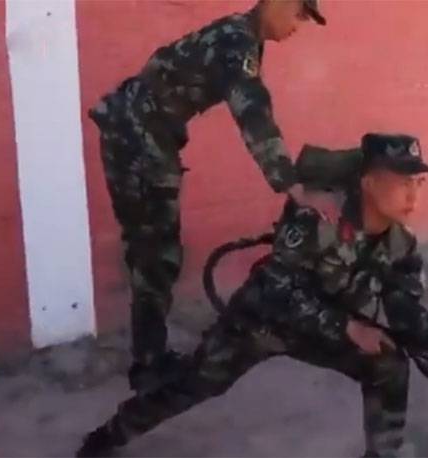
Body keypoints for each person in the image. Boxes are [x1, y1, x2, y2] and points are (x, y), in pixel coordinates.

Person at [76, 133, 428, 458]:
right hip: (259, 324)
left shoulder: (401, 243)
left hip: (323, 330)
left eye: (419, 183)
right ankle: (111, 434)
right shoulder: (320, 218)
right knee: (193, 384)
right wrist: (348, 327)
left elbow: (402, 307)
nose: (413, 195)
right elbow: (274, 288)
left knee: (389, 363)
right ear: (369, 182)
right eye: (401, 182)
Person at [88, 0, 326, 393]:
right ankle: (149, 367)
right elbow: (253, 112)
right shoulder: (237, 42)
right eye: (298, 14)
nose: (298, 26)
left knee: (153, 252)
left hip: (140, 132)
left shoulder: (241, 35)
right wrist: (290, 183)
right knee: (155, 254)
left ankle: (150, 357)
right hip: (138, 136)